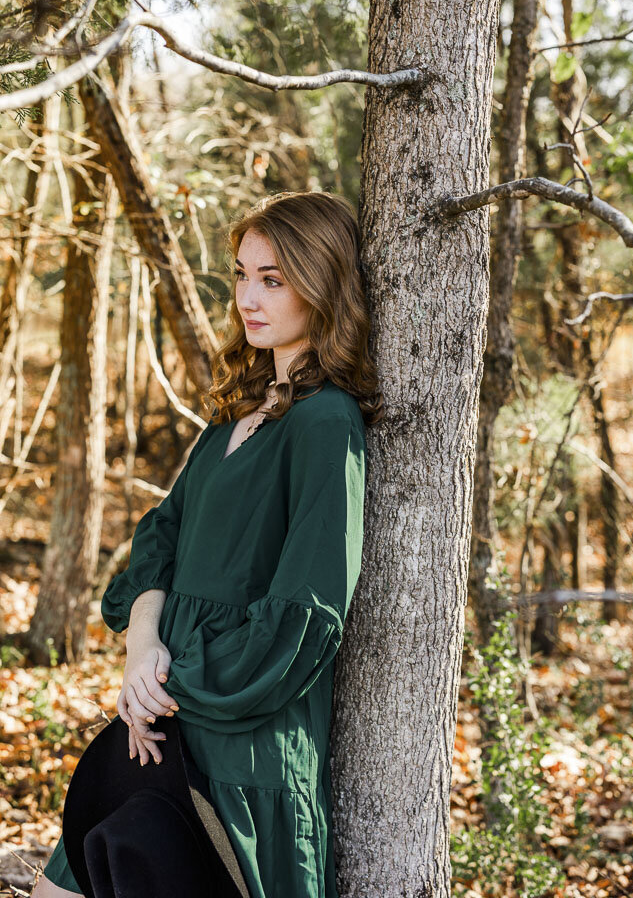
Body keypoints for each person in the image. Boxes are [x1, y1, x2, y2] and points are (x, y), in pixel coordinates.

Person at [35, 190, 384, 898]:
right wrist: (141, 650)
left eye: (273, 279)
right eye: (240, 274)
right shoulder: (234, 421)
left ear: (321, 283)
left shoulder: (325, 425)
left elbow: (307, 612)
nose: (247, 297)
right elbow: (159, 539)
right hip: (162, 710)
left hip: (241, 732)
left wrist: (169, 687)